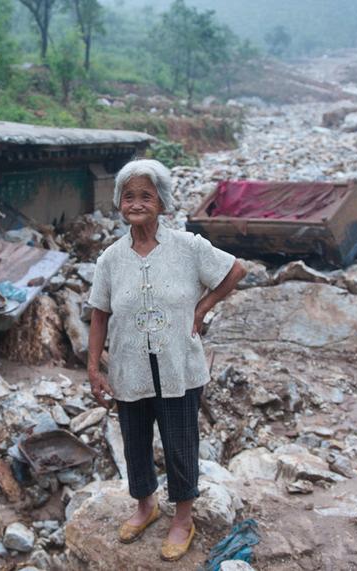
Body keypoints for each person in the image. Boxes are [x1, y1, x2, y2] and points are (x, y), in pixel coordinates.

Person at [87, 158, 245, 561]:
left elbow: (235, 270)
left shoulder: (188, 247)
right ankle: (146, 506)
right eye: (129, 196)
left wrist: (201, 308)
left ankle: (183, 519)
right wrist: (93, 368)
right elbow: (99, 315)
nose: (136, 203)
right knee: (135, 443)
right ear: (119, 203)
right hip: (128, 368)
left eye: (146, 195)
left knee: (180, 443)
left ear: (162, 203)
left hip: (179, 367)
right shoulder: (111, 259)